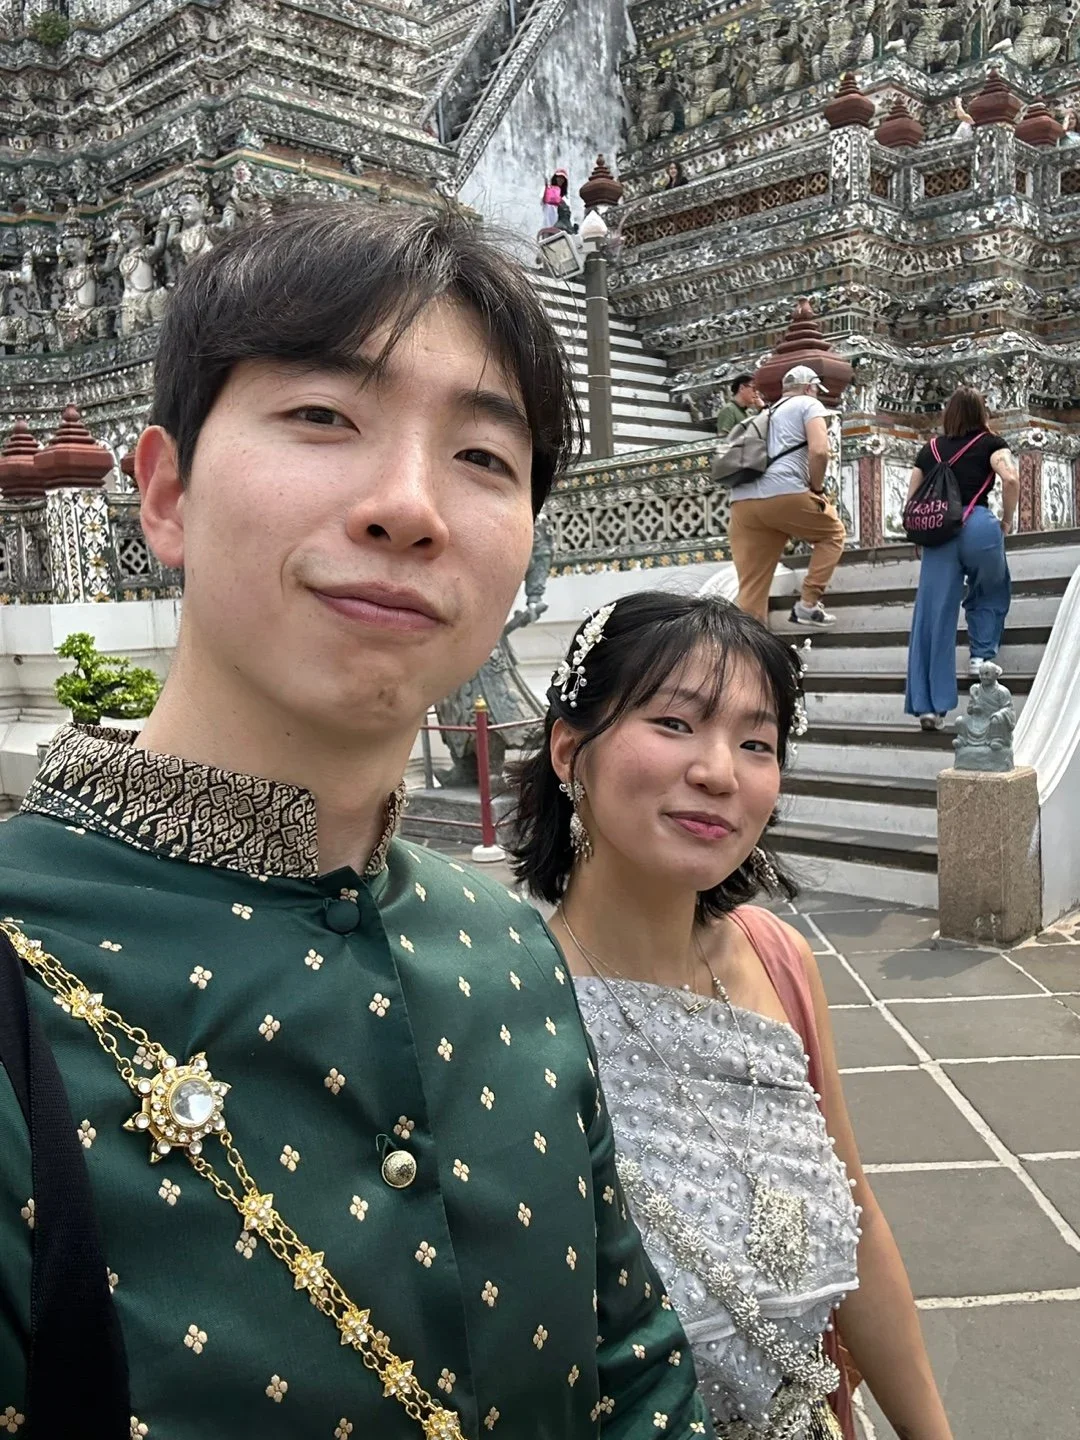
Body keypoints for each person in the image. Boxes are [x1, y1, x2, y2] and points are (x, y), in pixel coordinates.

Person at [0, 205, 710, 1439]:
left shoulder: (509, 948)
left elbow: (635, 1371)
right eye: (324, 417)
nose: (408, 506)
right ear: (165, 496)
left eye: (483, 456)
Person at [509, 591, 954, 1440]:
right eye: (674, 724)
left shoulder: (776, 960)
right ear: (569, 748)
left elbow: (856, 1220)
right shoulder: (511, 1001)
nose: (720, 772)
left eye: (757, 743)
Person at [904, 385, 1019, 730]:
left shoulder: (929, 449)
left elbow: (912, 498)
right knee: (990, 588)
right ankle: (981, 656)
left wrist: (919, 534)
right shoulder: (991, 443)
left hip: (939, 533)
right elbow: (1011, 479)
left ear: (948, 414)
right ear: (982, 413)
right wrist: (1007, 520)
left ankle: (929, 707)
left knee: (933, 616)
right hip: (979, 526)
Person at [727, 364, 846, 628]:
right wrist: (816, 489)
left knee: (753, 585)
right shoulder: (809, 404)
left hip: (742, 501)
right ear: (809, 387)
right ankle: (808, 604)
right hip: (784, 492)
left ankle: (748, 642)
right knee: (832, 535)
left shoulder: (767, 412)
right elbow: (819, 452)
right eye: (816, 389)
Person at [714, 372, 762, 438]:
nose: (757, 393)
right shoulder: (729, 410)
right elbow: (723, 438)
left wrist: (761, 410)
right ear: (742, 388)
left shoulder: (749, 411)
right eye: (754, 388)